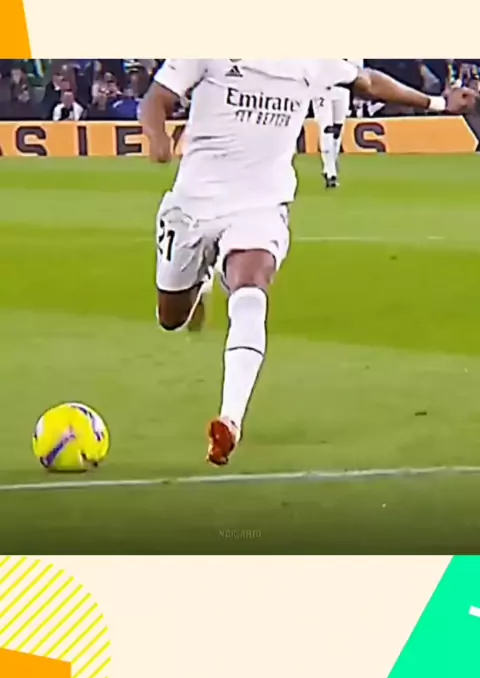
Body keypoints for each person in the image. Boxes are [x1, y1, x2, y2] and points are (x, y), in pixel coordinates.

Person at [140, 59, 477, 468]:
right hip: (192, 206)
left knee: (251, 288)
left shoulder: (312, 57)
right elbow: (156, 99)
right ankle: (203, 281)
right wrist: (157, 139)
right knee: (171, 317)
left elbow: (369, 82)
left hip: (260, 204)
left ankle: (230, 420)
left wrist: (438, 103)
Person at [312, 58, 363, 189]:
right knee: (326, 128)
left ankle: (332, 163)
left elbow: (358, 70)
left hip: (343, 89)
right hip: (322, 89)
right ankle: (330, 172)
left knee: (338, 129)